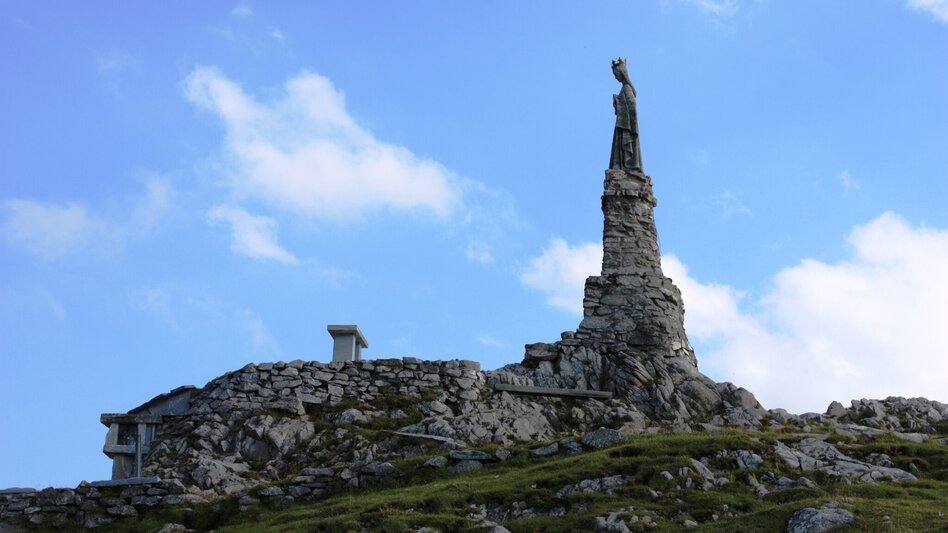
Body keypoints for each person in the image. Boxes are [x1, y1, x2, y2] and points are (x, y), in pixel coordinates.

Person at [609, 58, 643, 171]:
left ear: (622, 73)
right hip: (623, 124)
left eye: (616, 74)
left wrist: (619, 103)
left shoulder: (627, 89)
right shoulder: (624, 89)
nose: (616, 77)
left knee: (625, 147)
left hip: (626, 125)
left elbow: (632, 106)